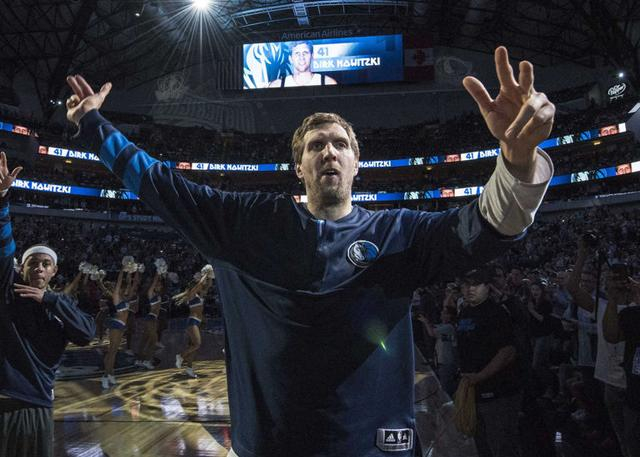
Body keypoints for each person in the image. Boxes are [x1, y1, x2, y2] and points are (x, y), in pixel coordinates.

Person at [66, 45, 555, 456]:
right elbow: (161, 183)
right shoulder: (248, 224)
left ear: (357, 163)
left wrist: (517, 163)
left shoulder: (399, 233)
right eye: (316, 145)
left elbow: (483, 228)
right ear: (298, 167)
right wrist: (93, 125)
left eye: (340, 144)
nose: (329, 151)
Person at [0, 152, 96, 457]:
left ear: (54, 271)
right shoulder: (8, 291)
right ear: (22, 268)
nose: (39, 268)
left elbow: (86, 333)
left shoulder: (60, 305)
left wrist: (50, 299)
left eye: (45, 264)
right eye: (33, 263)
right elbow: (3, 247)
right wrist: (2, 200)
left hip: (38, 403)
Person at [456, 268, 522, 457]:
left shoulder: (496, 312)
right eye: (466, 285)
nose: (470, 289)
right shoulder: (464, 312)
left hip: (499, 391)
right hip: (474, 390)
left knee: (501, 445)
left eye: (476, 284)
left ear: (487, 287)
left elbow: (508, 352)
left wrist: (480, 376)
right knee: (481, 444)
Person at [603, 273, 640, 457]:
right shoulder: (631, 314)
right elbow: (612, 336)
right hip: (635, 393)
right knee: (632, 441)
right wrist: (613, 298)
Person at [174, 270, 213, 378]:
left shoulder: (200, 295)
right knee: (197, 344)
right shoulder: (191, 295)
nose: (202, 287)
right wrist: (205, 274)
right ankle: (180, 356)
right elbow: (200, 284)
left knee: (193, 347)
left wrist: (210, 275)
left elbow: (208, 285)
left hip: (197, 322)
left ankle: (189, 369)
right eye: (198, 286)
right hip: (192, 321)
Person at [269, 41, 338, 88]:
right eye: (297, 53)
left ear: (312, 56)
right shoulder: (276, 86)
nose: (301, 57)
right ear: (290, 59)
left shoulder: (328, 83)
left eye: (305, 53)